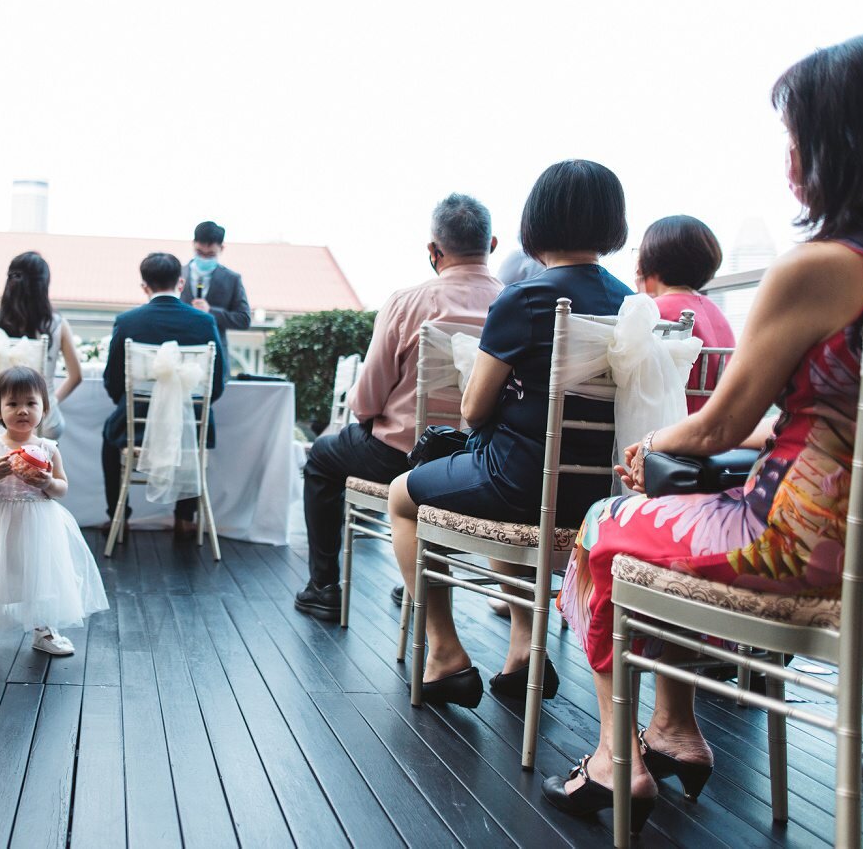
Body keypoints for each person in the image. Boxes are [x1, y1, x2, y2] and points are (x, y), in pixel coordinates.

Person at [547, 34, 863, 830]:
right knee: (663, 524)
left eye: (797, 139)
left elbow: (719, 427)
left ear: (842, 147)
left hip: (803, 543)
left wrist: (648, 449)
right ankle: (674, 731)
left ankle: (617, 756)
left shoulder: (823, 267)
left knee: (604, 527)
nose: (788, 160)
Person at [387, 160, 634, 707]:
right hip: (601, 494)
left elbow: (473, 413)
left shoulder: (525, 298)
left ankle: (446, 652)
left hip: (520, 484)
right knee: (497, 488)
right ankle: (524, 648)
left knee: (402, 498)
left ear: (536, 221)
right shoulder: (631, 304)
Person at [293, 193, 502, 621]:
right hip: (481, 462)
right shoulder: (512, 305)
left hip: (400, 458)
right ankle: (418, 574)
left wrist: (367, 413)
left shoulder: (408, 302)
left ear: (433, 250)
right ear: (492, 244)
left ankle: (324, 586)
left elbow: (366, 401)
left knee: (320, 457)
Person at [0, 366, 108, 664]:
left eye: (31, 403)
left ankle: (44, 630)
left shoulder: (48, 448)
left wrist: (47, 483)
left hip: (39, 523)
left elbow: (62, 487)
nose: (22, 410)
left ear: (44, 409)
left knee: (41, 577)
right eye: (12, 404)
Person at [103, 252, 226, 536]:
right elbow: (216, 384)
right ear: (180, 283)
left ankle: (118, 516)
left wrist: (134, 407)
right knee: (188, 431)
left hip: (138, 425)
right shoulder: (204, 323)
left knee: (110, 435)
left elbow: (112, 380)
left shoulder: (127, 321)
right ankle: (185, 517)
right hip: (192, 425)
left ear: (144, 286)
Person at [633, 214, 736, 412]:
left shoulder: (656, 311)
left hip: (671, 425)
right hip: (715, 424)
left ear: (650, 259)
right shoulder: (716, 312)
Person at [0, 251, 83, 439]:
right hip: (45, 420)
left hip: (2, 420)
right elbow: (76, 376)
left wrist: (9, 403)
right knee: (51, 427)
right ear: (43, 285)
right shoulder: (58, 325)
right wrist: (45, 401)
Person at [180, 221, 250, 352]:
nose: (204, 258)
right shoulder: (177, 274)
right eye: (199, 252)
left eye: (211, 254)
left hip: (216, 352)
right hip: (181, 349)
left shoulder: (232, 279)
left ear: (221, 248)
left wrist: (210, 311)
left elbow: (244, 320)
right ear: (193, 244)